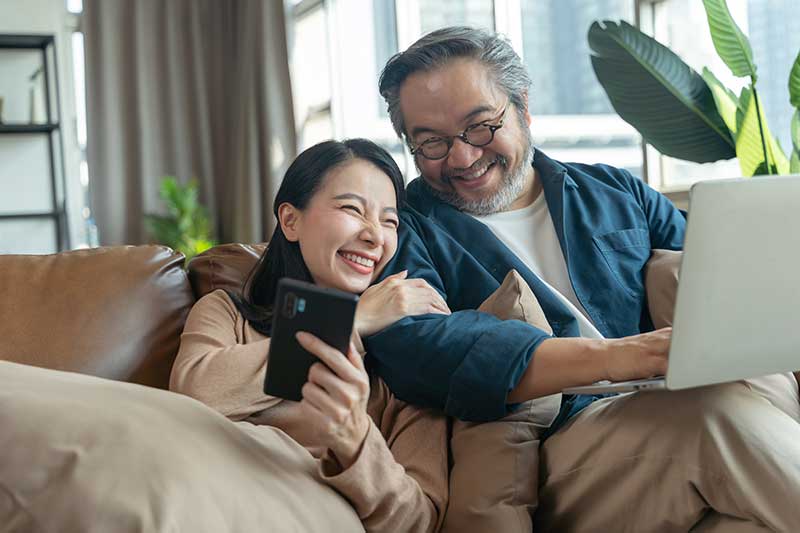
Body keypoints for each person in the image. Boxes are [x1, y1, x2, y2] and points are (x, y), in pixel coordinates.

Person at [364, 26, 800, 532]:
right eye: (431, 143)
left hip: (685, 437)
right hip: (558, 451)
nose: (462, 157)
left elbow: (717, 281)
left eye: (480, 126)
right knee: (713, 415)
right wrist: (619, 359)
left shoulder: (613, 191)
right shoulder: (404, 229)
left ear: (522, 107)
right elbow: (418, 349)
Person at [170, 139, 450, 533]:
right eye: (353, 209)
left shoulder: (409, 357)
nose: (375, 235)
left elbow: (419, 520)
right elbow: (193, 396)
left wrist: (355, 441)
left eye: (390, 221)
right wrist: (350, 321)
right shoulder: (227, 313)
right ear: (290, 221)